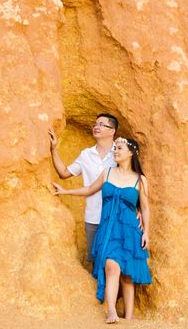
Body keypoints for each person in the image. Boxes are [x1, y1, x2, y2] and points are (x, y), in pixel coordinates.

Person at [52, 137, 152, 323]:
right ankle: (111, 310)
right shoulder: (107, 173)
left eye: (119, 148)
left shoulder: (140, 179)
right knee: (111, 267)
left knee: (128, 275)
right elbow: (90, 189)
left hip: (130, 231)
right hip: (108, 230)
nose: (115, 151)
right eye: (115, 148)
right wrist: (66, 192)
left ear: (130, 153)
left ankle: (128, 317)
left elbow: (145, 207)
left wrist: (146, 232)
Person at [48, 113, 119, 264]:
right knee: (96, 261)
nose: (96, 127)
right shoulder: (86, 154)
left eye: (101, 124)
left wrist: (138, 208)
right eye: (95, 124)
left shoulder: (120, 153)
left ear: (112, 131)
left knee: (114, 262)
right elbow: (64, 173)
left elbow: (133, 180)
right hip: (93, 216)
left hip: (116, 216)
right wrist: (54, 149)